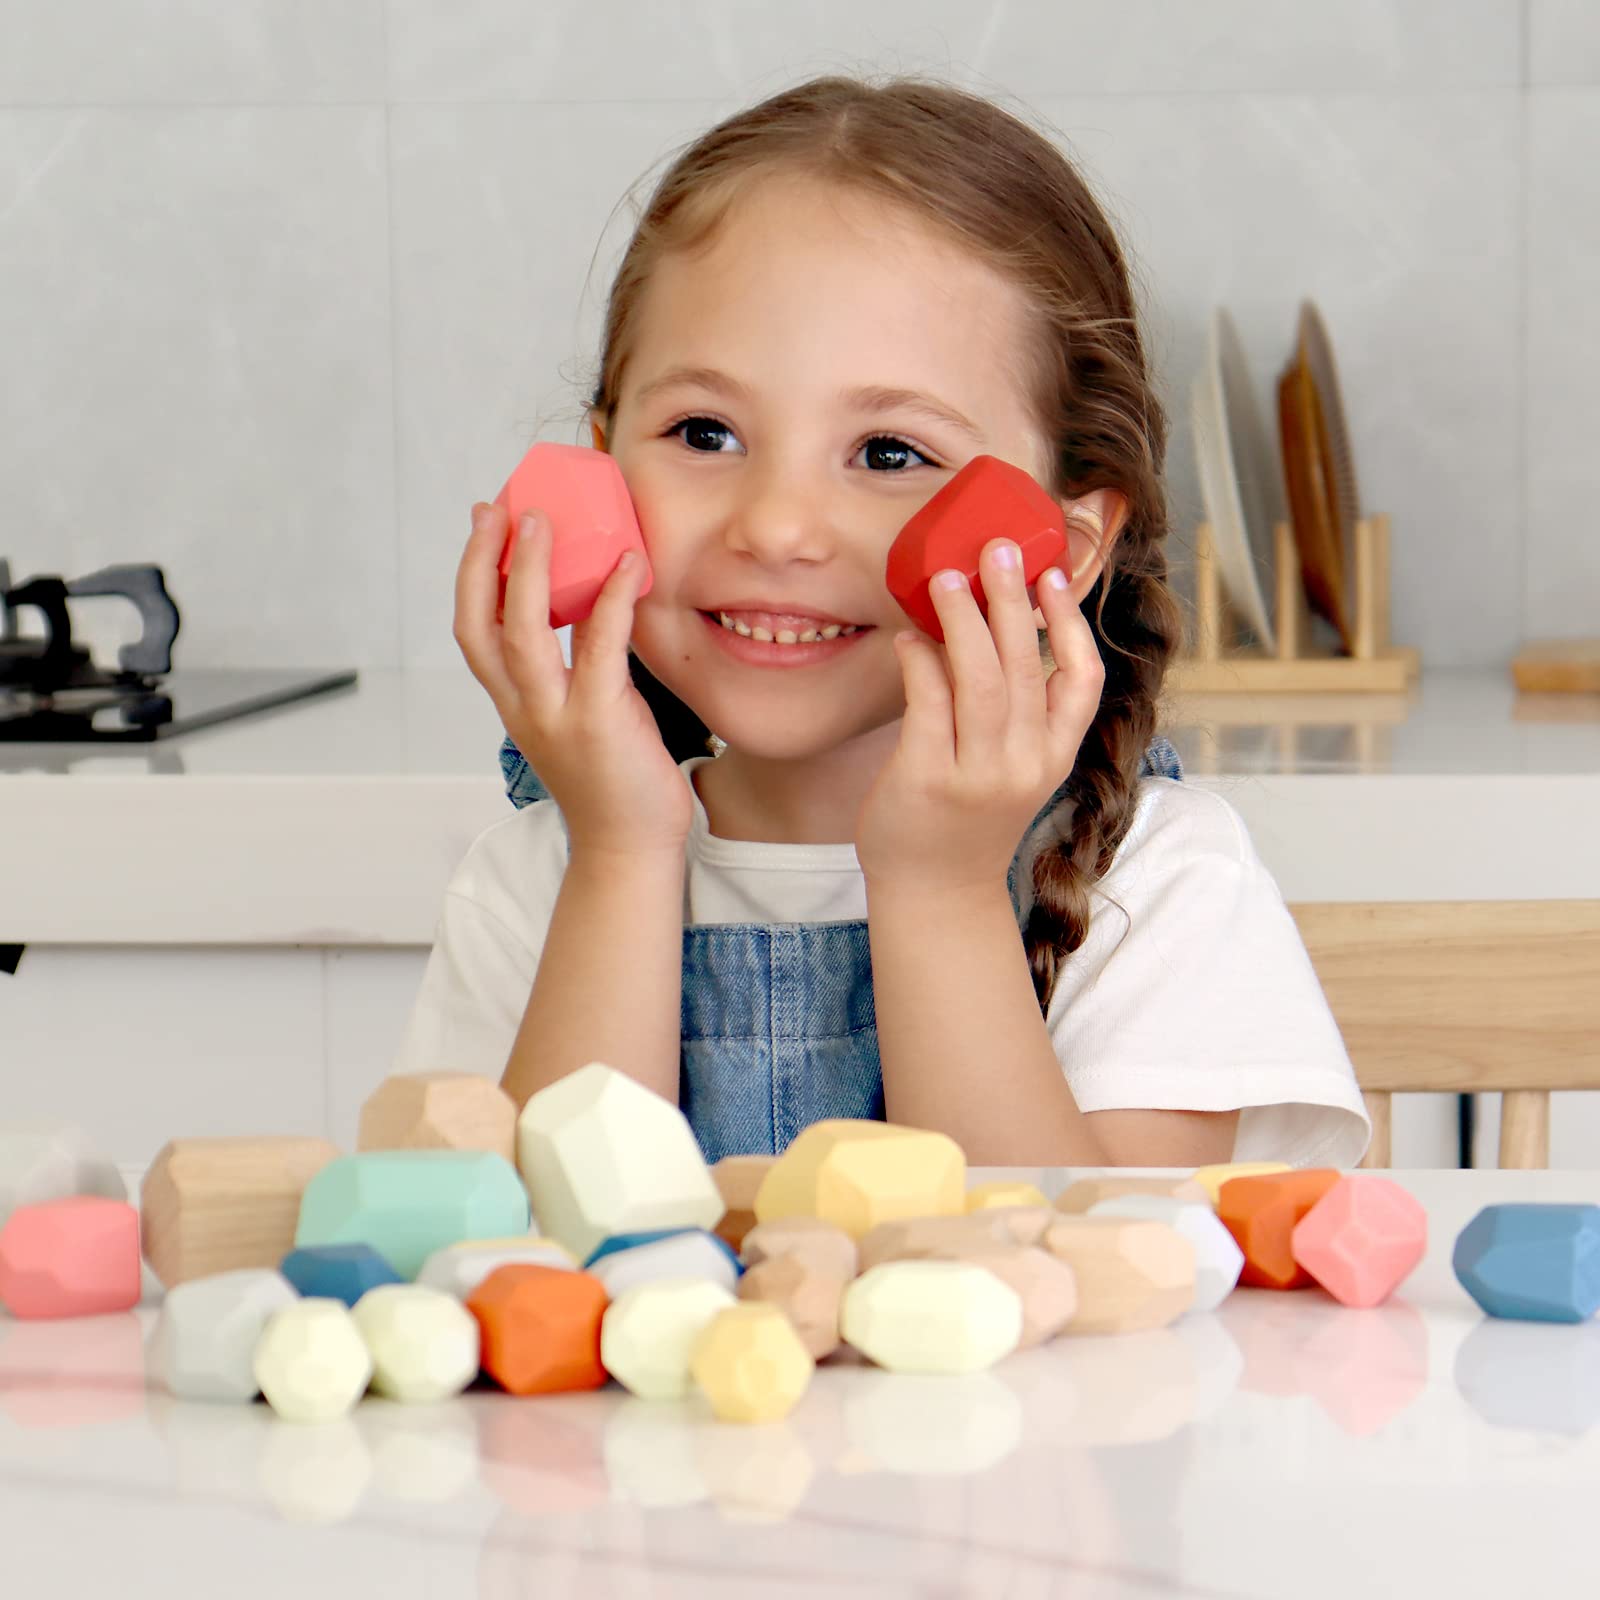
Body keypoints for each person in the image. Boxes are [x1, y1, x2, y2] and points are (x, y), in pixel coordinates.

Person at [393, 75, 1370, 1171]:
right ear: (596, 466)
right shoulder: (536, 879)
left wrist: (943, 888)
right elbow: (517, 1292)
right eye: (704, 432)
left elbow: (1087, 1288)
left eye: (890, 453)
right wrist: (621, 854)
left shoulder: (1155, 883)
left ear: (1068, 540)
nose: (776, 526)